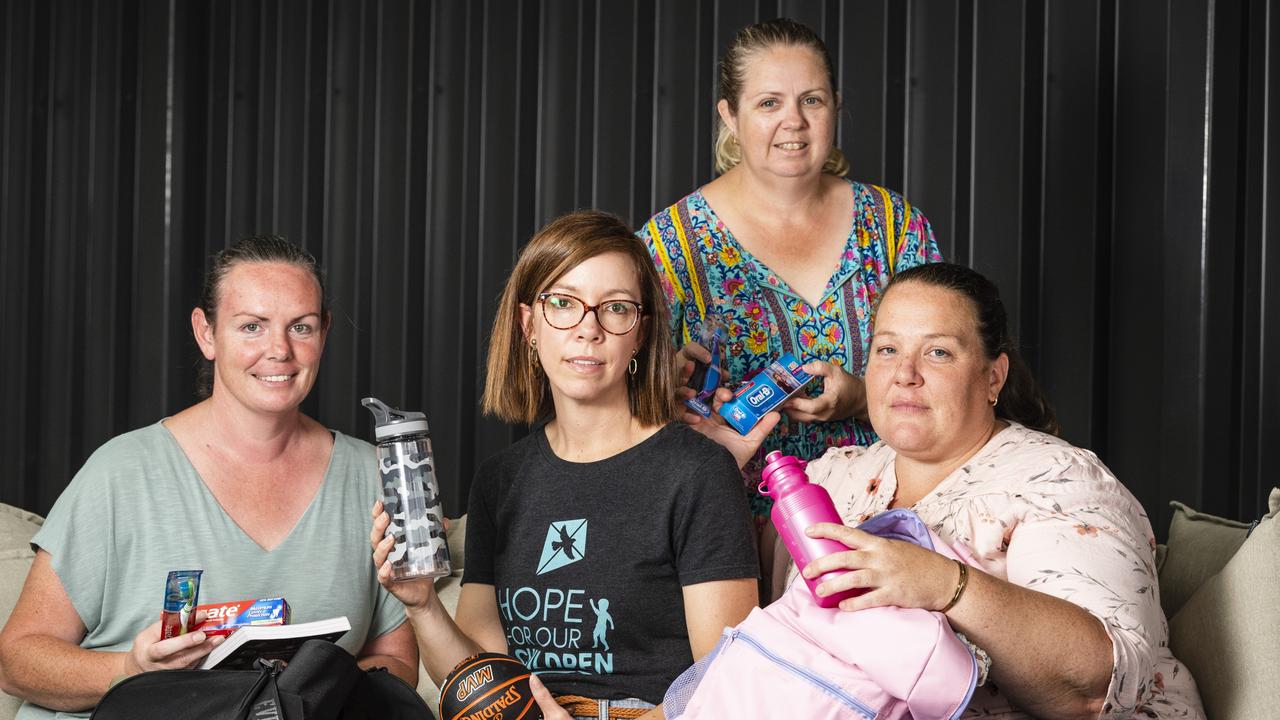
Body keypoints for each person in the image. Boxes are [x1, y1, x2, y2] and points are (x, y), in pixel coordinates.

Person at [728, 262, 1202, 718]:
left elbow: (1093, 693)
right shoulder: (833, 478)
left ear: (993, 376)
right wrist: (715, 461)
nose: (905, 373)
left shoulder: (1056, 479)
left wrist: (945, 586)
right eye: (887, 350)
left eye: (938, 352)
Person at [0, 237, 418, 718]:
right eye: (251, 327)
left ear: (323, 333)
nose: (279, 350)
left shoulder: (371, 473)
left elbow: (396, 660)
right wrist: (132, 670)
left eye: (300, 327)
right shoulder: (122, 472)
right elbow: (18, 660)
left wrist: (311, 693)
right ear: (206, 333)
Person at [370, 211, 760, 720]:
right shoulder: (500, 480)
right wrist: (420, 602)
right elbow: (481, 682)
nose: (588, 330)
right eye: (563, 304)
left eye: (615, 309)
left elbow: (726, 682)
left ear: (639, 333)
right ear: (529, 324)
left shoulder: (697, 472)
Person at [639, 17, 942, 522]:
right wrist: (659, 389)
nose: (794, 121)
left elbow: (950, 375)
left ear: (836, 107)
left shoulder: (893, 227)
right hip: (720, 525)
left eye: (812, 100)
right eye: (768, 103)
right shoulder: (668, 247)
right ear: (730, 116)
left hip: (890, 516)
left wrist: (865, 399)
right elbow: (609, 395)